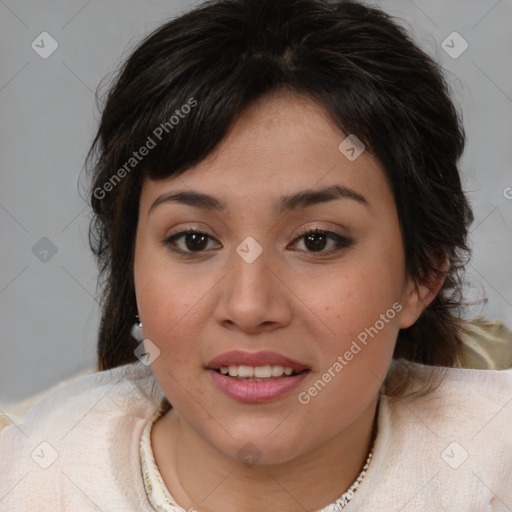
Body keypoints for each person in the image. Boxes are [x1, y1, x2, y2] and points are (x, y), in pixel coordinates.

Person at [1, 0, 511, 510]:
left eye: (316, 240)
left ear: (421, 274)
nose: (248, 307)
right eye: (194, 240)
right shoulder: (32, 481)